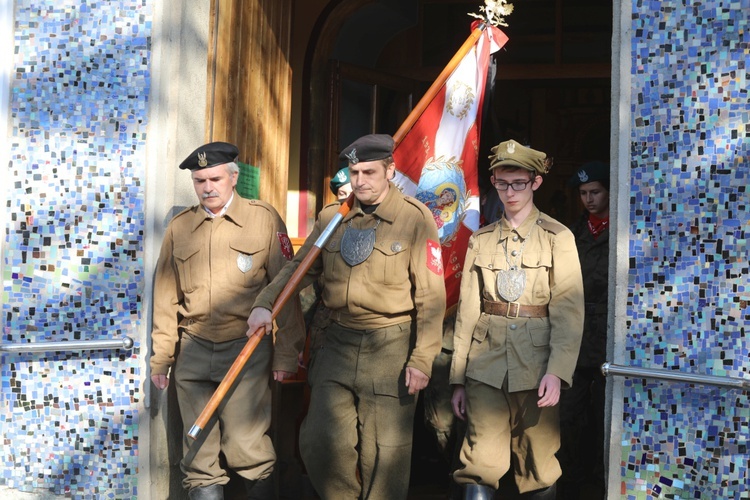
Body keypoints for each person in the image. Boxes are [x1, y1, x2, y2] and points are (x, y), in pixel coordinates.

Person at [246, 133, 447, 499]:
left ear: (391, 170)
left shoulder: (415, 220)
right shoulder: (332, 218)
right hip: (336, 342)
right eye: (354, 172)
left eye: (369, 172)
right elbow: (299, 268)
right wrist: (265, 302)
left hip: (391, 345)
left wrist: (422, 359)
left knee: (385, 455)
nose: (360, 181)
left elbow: (432, 299)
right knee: (320, 442)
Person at [149, 141, 305, 500]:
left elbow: (287, 289)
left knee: (247, 446)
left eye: (215, 178)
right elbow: (165, 297)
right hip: (193, 349)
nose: (208, 187)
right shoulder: (180, 227)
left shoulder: (263, 219)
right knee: (198, 451)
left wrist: (285, 353)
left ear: (233, 177)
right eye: (199, 180)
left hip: (245, 349)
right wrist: (162, 357)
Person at [449, 140, 584, 499]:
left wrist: (558, 371)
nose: (510, 192)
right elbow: (467, 313)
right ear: (493, 181)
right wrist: (458, 379)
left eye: (519, 183)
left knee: (538, 465)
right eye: (502, 183)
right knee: (477, 464)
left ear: (536, 183)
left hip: (536, 365)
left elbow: (569, 313)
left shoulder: (559, 238)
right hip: (485, 364)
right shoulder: (481, 239)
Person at [557, 161, 611, 500]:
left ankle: (605, 481)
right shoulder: (571, 233)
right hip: (575, 336)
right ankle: (571, 483)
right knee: (569, 416)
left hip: (609, 335)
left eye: (595, 192)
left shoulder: (621, 228)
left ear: (608, 190)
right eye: (583, 193)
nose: (589, 199)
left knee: (606, 416)